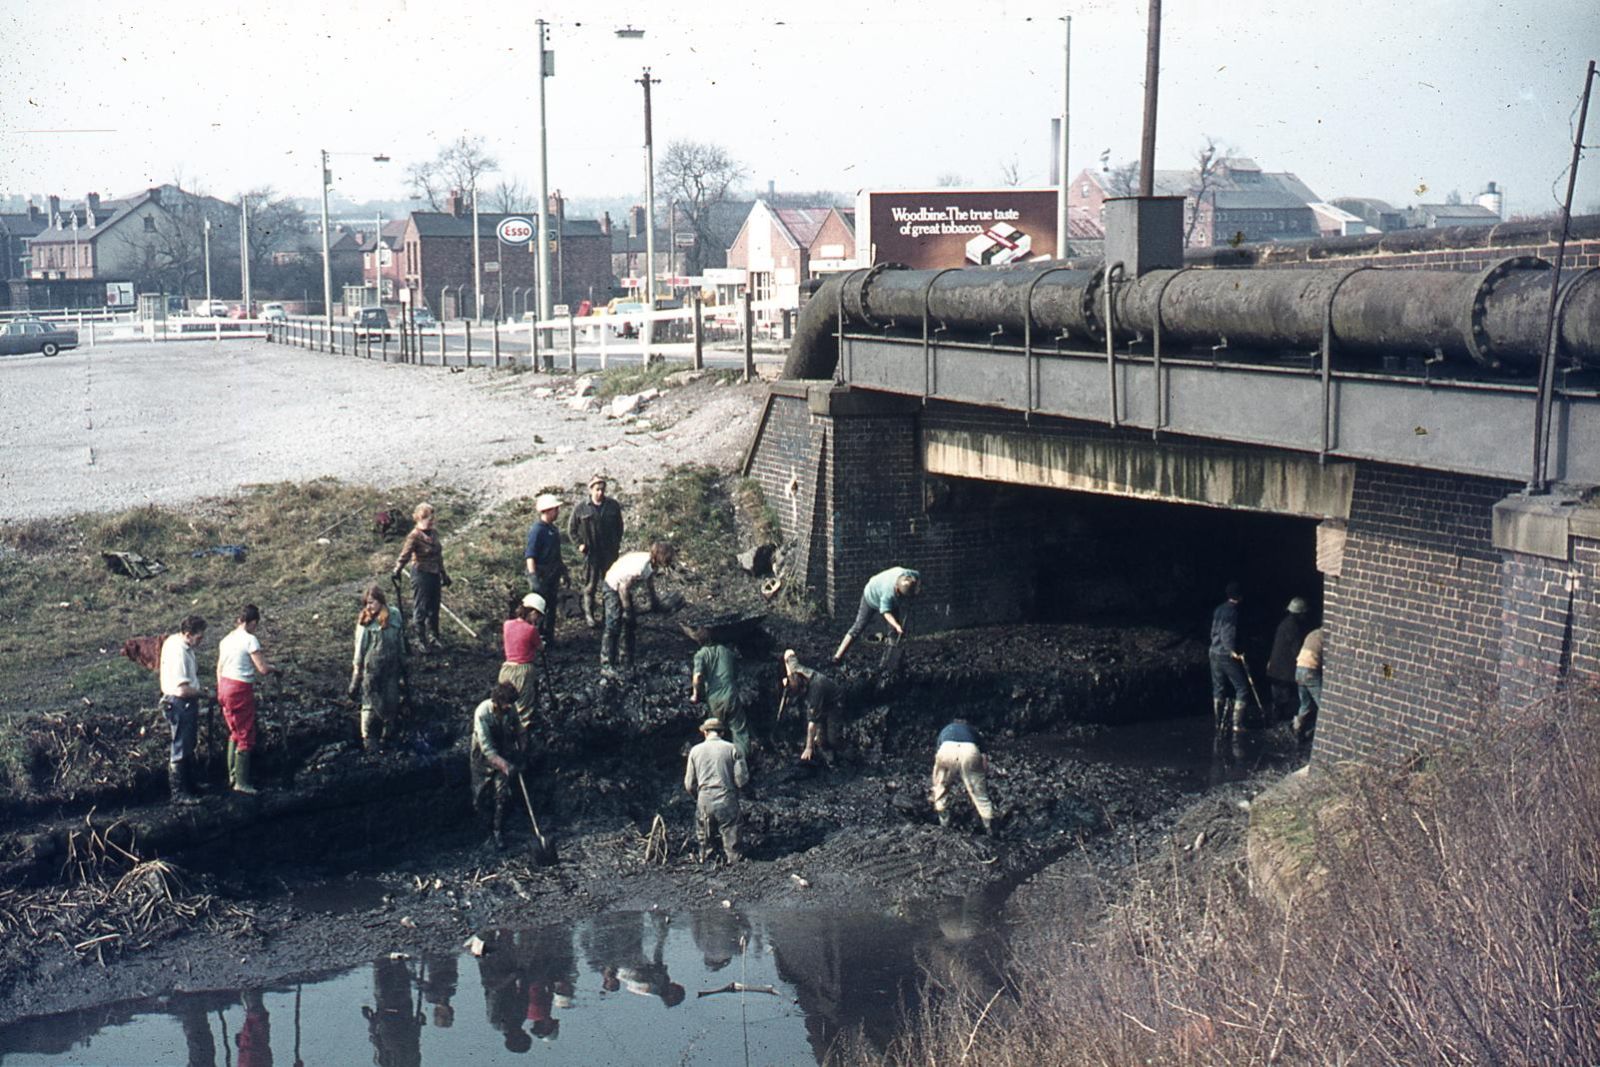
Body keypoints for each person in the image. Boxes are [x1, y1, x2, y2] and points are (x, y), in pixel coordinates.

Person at [217, 604, 276, 795]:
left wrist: (220, 690)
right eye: (255, 625)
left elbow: (219, 668)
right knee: (245, 733)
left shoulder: (226, 639)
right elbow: (263, 669)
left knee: (234, 731)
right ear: (252, 622)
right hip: (240, 688)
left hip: (224, 686)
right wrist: (275, 668)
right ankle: (241, 782)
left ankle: (232, 777)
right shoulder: (250, 640)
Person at [601, 541, 676, 671]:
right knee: (613, 624)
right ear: (659, 556)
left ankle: (626, 661)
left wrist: (655, 602)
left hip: (624, 587)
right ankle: (607, 665)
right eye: (667, 557)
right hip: (613, 585)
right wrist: (628, 610)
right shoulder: (640, 566)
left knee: (629, 625)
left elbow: (649, 581)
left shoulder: (651, 564)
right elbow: (622, 588)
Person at [349, 585, 407, 752]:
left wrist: (403, 662)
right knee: (370, 704)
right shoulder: (365, 622)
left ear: (381, 601)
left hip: (391, 668)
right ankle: (368, 738)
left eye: (372, 602)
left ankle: (388, 736)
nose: (369, 606)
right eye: (366, 603)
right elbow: (359, 650)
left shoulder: (394, 615)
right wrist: (356, 675)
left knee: (391, 701)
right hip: (372, 670)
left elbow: (400, 639)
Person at [684, 717, 749, 863]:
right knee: (732, 838)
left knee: (705, 841)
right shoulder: (733, 748)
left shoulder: (695, 751)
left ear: (705, 732)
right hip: (726, 797)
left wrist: (698, 797)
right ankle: (734, 863)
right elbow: (741, 780)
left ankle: (706, 861)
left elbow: (689, 784)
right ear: (722, 732)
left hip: (704, 799)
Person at [158, 615, 208, 805]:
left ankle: (190, 785)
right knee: (180, 745)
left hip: (183, 701)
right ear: (188, 634)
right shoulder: (178, 652)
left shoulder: (175, 642)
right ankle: (179, 792)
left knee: (188, 743)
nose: (201, 641)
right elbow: (182, 689)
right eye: (199, 637)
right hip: (180, 702)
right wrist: (201, 693)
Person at [471, 682, 526, 850]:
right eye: (507, 703)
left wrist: (521, 750)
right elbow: (487, 748)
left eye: (511, 703)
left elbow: (519, 729)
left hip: (503, 753)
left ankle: (498, 831)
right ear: (497, 701)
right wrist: (505, 766)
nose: (510, 706)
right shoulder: (483, 713)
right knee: (481, 795)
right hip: (482, 758)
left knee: (501, 794)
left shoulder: (510, 709)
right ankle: (485, 832)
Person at [393, 502, 451, 653]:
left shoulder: (434, 533)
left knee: (434, 606)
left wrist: (444, 574)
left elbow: (439, 556)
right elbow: (405, 555)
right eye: (428, 518)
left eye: (432, 517)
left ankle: (434, 637)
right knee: (421, 607)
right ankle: (420, 639)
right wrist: (397, 569)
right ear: (420, 518)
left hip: (434, 574)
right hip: (421, 574)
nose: (431, 520)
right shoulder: (414, 536)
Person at [569, 473, 624, 629]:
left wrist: (616, 544)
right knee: (590, 585)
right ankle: (590, 615)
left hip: (609, 553)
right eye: (597, 489)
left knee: (611, 583)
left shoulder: (612, 505)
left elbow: (619, 527)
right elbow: (572, 530)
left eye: (602, 489)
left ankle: (609, 614)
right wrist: (579, 545)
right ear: (591, 490)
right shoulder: (581, 508)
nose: (600, 492)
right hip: (591, 554)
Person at [832, 566, 920, 664]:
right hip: (871, 596)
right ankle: (837, 656)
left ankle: (890, 662)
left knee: (894, 633)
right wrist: (897, 626)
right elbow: (886, 613)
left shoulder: (908, 574)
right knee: (859, 626)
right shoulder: (888, 593)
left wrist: (916, 590)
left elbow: (918, 575)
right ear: (897, 588)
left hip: (891, 600)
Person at [930, 718, 994, 834]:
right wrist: (981, 776)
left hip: (946, 749)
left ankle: (943, 823)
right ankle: (988, 827)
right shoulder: (972, 731)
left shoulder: (946, 730)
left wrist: (937, 780)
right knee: (979, 793)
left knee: (941, 787)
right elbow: (984, 760)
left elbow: (937, 756)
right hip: (970, 750)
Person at [690, 634, 747, 759]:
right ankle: (741, 763)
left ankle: (717, 762)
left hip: (714, 699)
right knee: (739, 731)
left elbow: (698, 676)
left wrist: (695, 694)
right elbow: (736, 674)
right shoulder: (727, 652)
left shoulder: (700, 655)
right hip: (731, 695)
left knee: (714, 731)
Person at [783, 649, 843, 765]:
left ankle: (842, 756)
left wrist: (808, 747)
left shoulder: (814, 690)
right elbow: (788, 653)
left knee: (832, 739)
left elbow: (811, 724)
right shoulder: (795, 668)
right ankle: (824, 748)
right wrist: (788, 671)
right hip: (823, 700)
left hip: (834, 702)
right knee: (821, 740)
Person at [524, 493, 566, 647]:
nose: (558, 512)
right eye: (556, 509)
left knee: (551, 607)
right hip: (541, 575)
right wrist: (533, 577)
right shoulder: (537, 530)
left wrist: (563, 571)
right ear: (548, 510)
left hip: (552, 575)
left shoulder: (553, 530)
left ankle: (549, 638)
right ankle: (536, 639)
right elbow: (530, 555)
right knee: (538, 608)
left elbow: (557, 553)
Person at [500, 592, 545, 730]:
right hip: (523, 671)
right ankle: (523, 742)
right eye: (538, 615)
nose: (538, 619)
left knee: (503, 707)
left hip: (506, 669)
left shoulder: (507, 625)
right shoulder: (532, 630)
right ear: (532, 612)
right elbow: (540, 647)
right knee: (523, 712)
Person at [1209, 582, 1249, 733]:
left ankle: (1218, 722)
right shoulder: (1233, 612)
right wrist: (1233, 651)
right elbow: (1228, 633)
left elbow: (1214, 631)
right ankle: (1237, 724)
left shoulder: (1219, 609)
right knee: (1242, 687)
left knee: (1218, 688)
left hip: (1213, 651)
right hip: (1225, 654)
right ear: (1240, 596)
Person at [1266, 596, 1310, 724]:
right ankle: (1279, 719)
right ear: (1300, 613)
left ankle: (1275, 717)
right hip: (1284, 669)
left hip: (1275, 667)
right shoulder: (1293, 627)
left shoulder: (1284, 623)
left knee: (1277, 694)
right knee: (1284, 695)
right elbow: (1296, 649)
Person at [1294, 627, 1324, 742]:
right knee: (1323, 705)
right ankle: (1317, 734)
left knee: (1304, 704)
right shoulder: (1325, 637)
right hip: (1311, 671)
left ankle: (1297, 731)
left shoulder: (1312, 633)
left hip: (1299, 669)